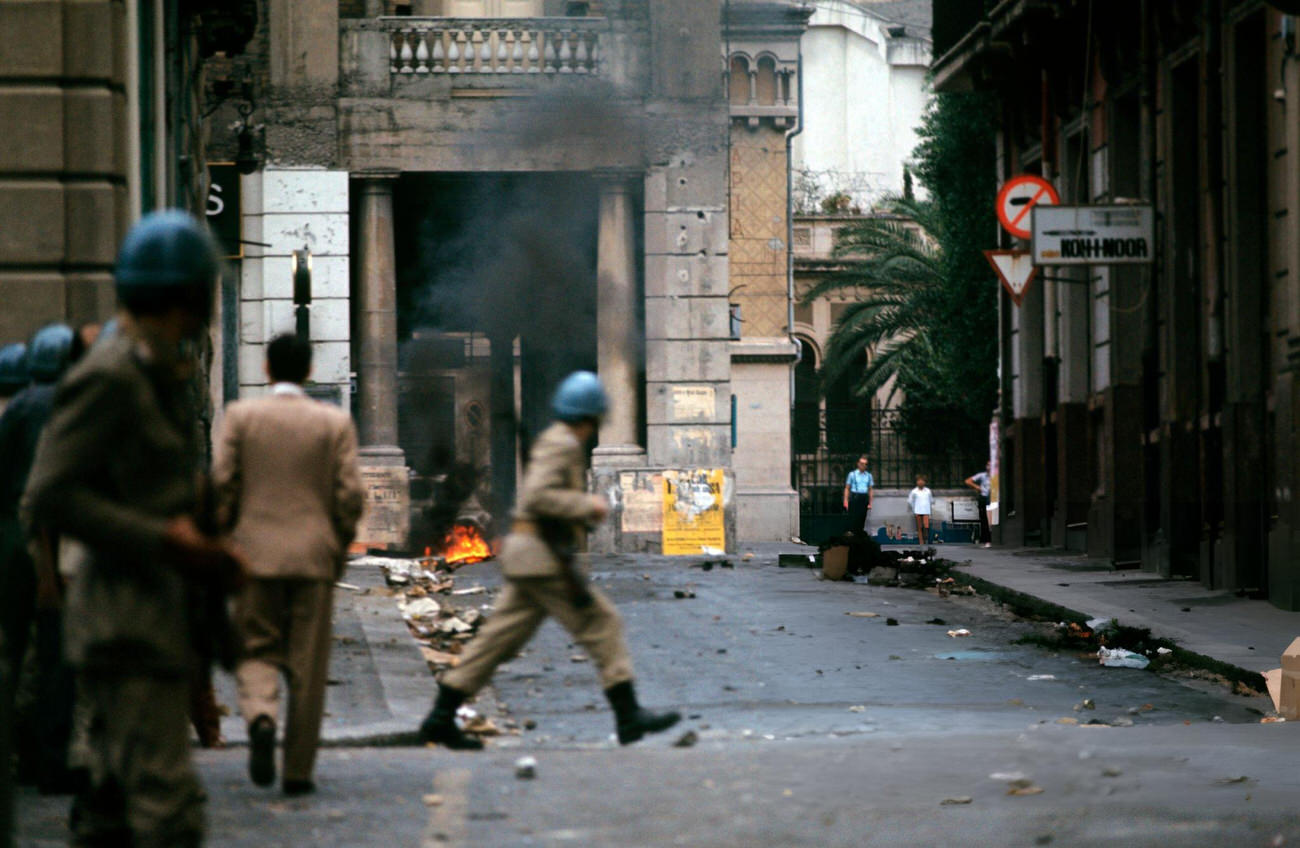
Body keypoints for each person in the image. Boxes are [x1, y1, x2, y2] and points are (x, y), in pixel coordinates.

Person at [22, 210, 246, 847]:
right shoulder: (110, 374)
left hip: (151, 616)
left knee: (111, 815)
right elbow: (49, 493)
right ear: (186, 296)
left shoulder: (156, 368)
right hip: (126, 627)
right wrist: (162, 538)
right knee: (168, 813)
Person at [418, 371, 680, 750]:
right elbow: (539, 496)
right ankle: (628, 716)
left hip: (534, 556)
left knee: (496, 641)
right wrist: (586, 504)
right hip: (542, 557)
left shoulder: (557, 440)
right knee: (603, 623)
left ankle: (440, 717)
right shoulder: (562, 444)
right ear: (588, 417)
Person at [211, 333, 364, 797]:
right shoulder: (333, 423)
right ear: (310, 370)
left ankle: (260, 716)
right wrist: (336, 544)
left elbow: (222, 486)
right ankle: (297, 771)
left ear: (267, 369)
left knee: (256, 649)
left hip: (253, 556)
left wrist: (225, 539)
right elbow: (350, 496)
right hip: (313, 558)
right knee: (307, 667)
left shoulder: (241, 417)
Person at [0, 323, 79, 795]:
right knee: (55, 655)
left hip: (14, 535)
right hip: (54, 541)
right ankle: (51, 757)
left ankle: (21, 752)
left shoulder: (24, 408)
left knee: (15, 648)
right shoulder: (73, 406)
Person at [842, 455, 873, 535]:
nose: (864, 466)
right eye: (862, 464)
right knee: (853, 518)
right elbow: (847, 488)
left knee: (862, 518)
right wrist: (845, 500)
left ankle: (859, 535)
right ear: (858, 464)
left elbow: (870, 489)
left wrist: (870, 502)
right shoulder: (852, 475)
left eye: (865, 464)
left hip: (864, 498)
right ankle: (853, 534)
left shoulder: (869, 476)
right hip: (855, 497)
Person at [965, 462, 993, 548]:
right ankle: (987, 541)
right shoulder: (982, 475)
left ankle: (992, 539)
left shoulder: (996, 475)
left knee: (992, 519)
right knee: (984, 519)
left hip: (993, 497)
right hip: (984, 497)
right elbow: (968, 481)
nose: (989, 466)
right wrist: (977, 487)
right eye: (988, 464)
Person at [907, 475, 933, 546]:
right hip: (917, 510)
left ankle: (926, 538)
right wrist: (913, 508)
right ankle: (921, 542)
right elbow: (910, 501)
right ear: (917, 482)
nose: (920, 482)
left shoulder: (928, 491)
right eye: (919, 481)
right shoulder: (914, 491)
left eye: (922, 481)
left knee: (926, 525)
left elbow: (931, 500)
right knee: (919, 527)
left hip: (926, 510)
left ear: (925, 482)